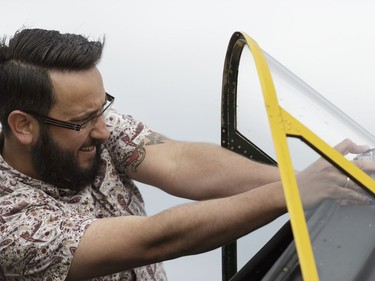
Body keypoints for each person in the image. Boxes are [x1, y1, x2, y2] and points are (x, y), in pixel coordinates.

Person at [0, 28, 373, 281]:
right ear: (24, 126)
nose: (102, 130)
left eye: (103, 109)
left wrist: (333, 180)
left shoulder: (90, 121)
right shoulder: (10, 224)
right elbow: (157, 239)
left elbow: (179, 162)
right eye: (83, 121)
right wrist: (291, 192)